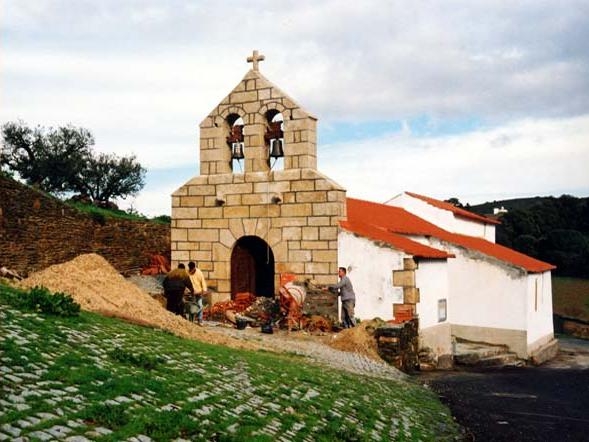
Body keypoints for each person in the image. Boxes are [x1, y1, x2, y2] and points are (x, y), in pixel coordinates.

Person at [187, 261, 207, 326]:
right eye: (190, 269)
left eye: (192, 270)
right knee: (191, 307)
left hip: (199, 292)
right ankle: (191, 320)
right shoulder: (188, 272)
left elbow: (203, 282)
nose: (191, 271)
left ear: (194, 268)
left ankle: (200, 320)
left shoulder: (199, 273)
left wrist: (204, 290)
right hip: (192, 292)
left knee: (200, 305)